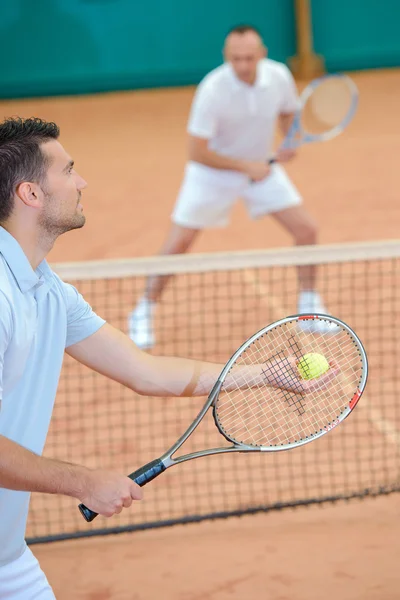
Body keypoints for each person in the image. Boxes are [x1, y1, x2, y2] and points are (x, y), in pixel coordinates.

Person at [0, 117, 337, 598]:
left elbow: (146, 371)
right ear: (31, 194)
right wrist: (82, 482)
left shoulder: (48, 290)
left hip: (9, 557)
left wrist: (268, 374)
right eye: (69, 170)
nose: (82, 181)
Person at [128, 24, 337, 349]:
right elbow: (197, 151)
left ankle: (309, 306)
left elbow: (288, 113)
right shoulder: (213, 88)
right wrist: (245, 166)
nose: (242, 65)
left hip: (261, 168)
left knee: (306, 230)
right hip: (212, 173)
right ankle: (144, 310)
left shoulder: (278, 76)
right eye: (235, 58)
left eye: (249, 58)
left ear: (262, 54)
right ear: (226, 56)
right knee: (179, 243)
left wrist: (290, 138)